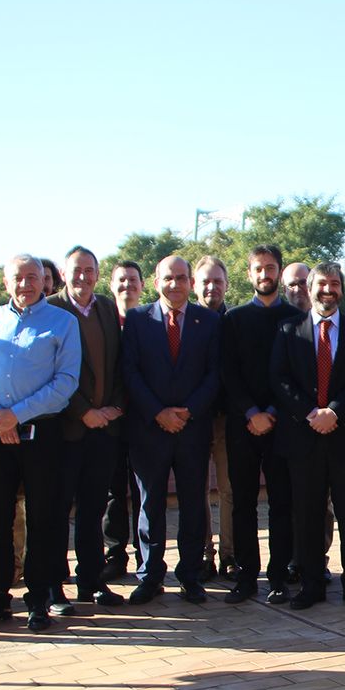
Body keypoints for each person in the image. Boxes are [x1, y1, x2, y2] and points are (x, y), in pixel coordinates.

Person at [0, 255, 81, 632]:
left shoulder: (64, 322)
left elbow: (66, 382)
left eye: (33, 277)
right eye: (18, 278)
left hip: (42, 435)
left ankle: (38, 600)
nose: (26, 284)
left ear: (45, 282)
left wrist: (18, 414)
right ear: (6, 282)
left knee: (43, 520)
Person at [270, 261, 345, 610]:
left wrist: (335, 412)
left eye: (334, 284)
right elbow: (280, 379)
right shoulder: (289, 330)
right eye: (321, 284)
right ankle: (311, 585)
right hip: (304, 437)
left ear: (342, 289)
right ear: (309, 288)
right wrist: (311, 413)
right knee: (308, 515)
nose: (328, 290)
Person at [122, 255, 222, 606]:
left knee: (194, 504)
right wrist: (158, 412)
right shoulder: (136, 320)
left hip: (192, 429)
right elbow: (130, 372)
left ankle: (191, 575)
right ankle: (150, 575)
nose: (175, 284)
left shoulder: (208, 321)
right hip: (149, 429)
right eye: (168, 278)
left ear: (191, 283)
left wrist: (188, 412)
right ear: (155, 282)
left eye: (182, 278)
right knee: (150, 504)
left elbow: (214, 374)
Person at [220, 244, 301, 605]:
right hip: (243, 424)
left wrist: (272, 411)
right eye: (258, 268)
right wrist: (251, 411)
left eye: (270, 267)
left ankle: (279, 576)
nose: (264, 274)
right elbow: (228, 372)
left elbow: (294, 375)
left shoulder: (296, 319)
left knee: (282, 503)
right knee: (243, 503)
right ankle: (246, 576)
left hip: (282, 425)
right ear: (249, 273)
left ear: (280, 272)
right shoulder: (233, 319)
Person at [49, 246, 127, 608]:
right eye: (76, 270)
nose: (83, 277)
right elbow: (48, 370)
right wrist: (82, 411)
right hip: (65, 430)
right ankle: (52, 588)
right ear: (64, 274)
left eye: (90, 270)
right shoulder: (50, 309)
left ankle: (91, 582)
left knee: (94, 510)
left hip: (104, 429)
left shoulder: (107, 308)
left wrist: (114, 407)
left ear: (98, 274)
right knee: (56, 510)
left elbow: (118, 363)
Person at [103, 260, 145, 579]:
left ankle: (146, 555)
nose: (127, 285)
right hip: (110, 419)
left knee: (144, 489)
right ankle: (115, 554)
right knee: (114, 491)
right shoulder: (102, 321)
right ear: (111, 285)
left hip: (143, 417)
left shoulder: (150, 321)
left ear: (142, 286)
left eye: (133, 280)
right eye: (121, 280)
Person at [194, 255, 233, 581]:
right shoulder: (185, 320)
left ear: (227, 285)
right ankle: (203, 556)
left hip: (226, 418)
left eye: (217, 281)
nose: (212, 287)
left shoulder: (234, 321)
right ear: (195, 285)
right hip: (193, 419)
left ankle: (230, 556)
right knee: (197, 491)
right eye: (206, 281)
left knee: (229, 490)